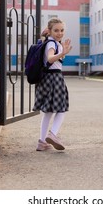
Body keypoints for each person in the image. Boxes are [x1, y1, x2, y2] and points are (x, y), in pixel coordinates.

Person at [33, 18, 72, 151]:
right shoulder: (52, 44)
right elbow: (50, 58)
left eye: (62, 30)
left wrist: (62, 52)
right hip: (54, 78)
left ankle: (42, 142)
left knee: (48, 112)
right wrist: (62, 53)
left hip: (46, 79)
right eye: (56, 30)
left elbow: (55, 60)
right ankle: (53, 134)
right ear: (50, 31)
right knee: (62, 109)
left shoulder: (51, 42)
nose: (60, 33)